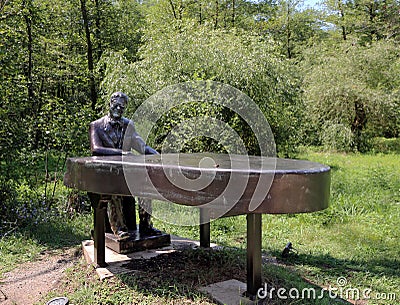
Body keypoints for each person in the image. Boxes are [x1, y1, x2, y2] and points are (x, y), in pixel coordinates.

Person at [89, 92, 160, 239]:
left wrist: (158, 155)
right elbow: (96, 149)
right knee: (114, 189)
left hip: (127, 173)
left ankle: (146, 225)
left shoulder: (129, 125)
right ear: (110, 104)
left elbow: (142, 146)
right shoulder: (96, 126)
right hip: (106, 174)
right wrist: (122, 153)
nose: (118, 108)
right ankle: (119, 229)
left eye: (122, 107)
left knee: (146, 188)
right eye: (116, 105)